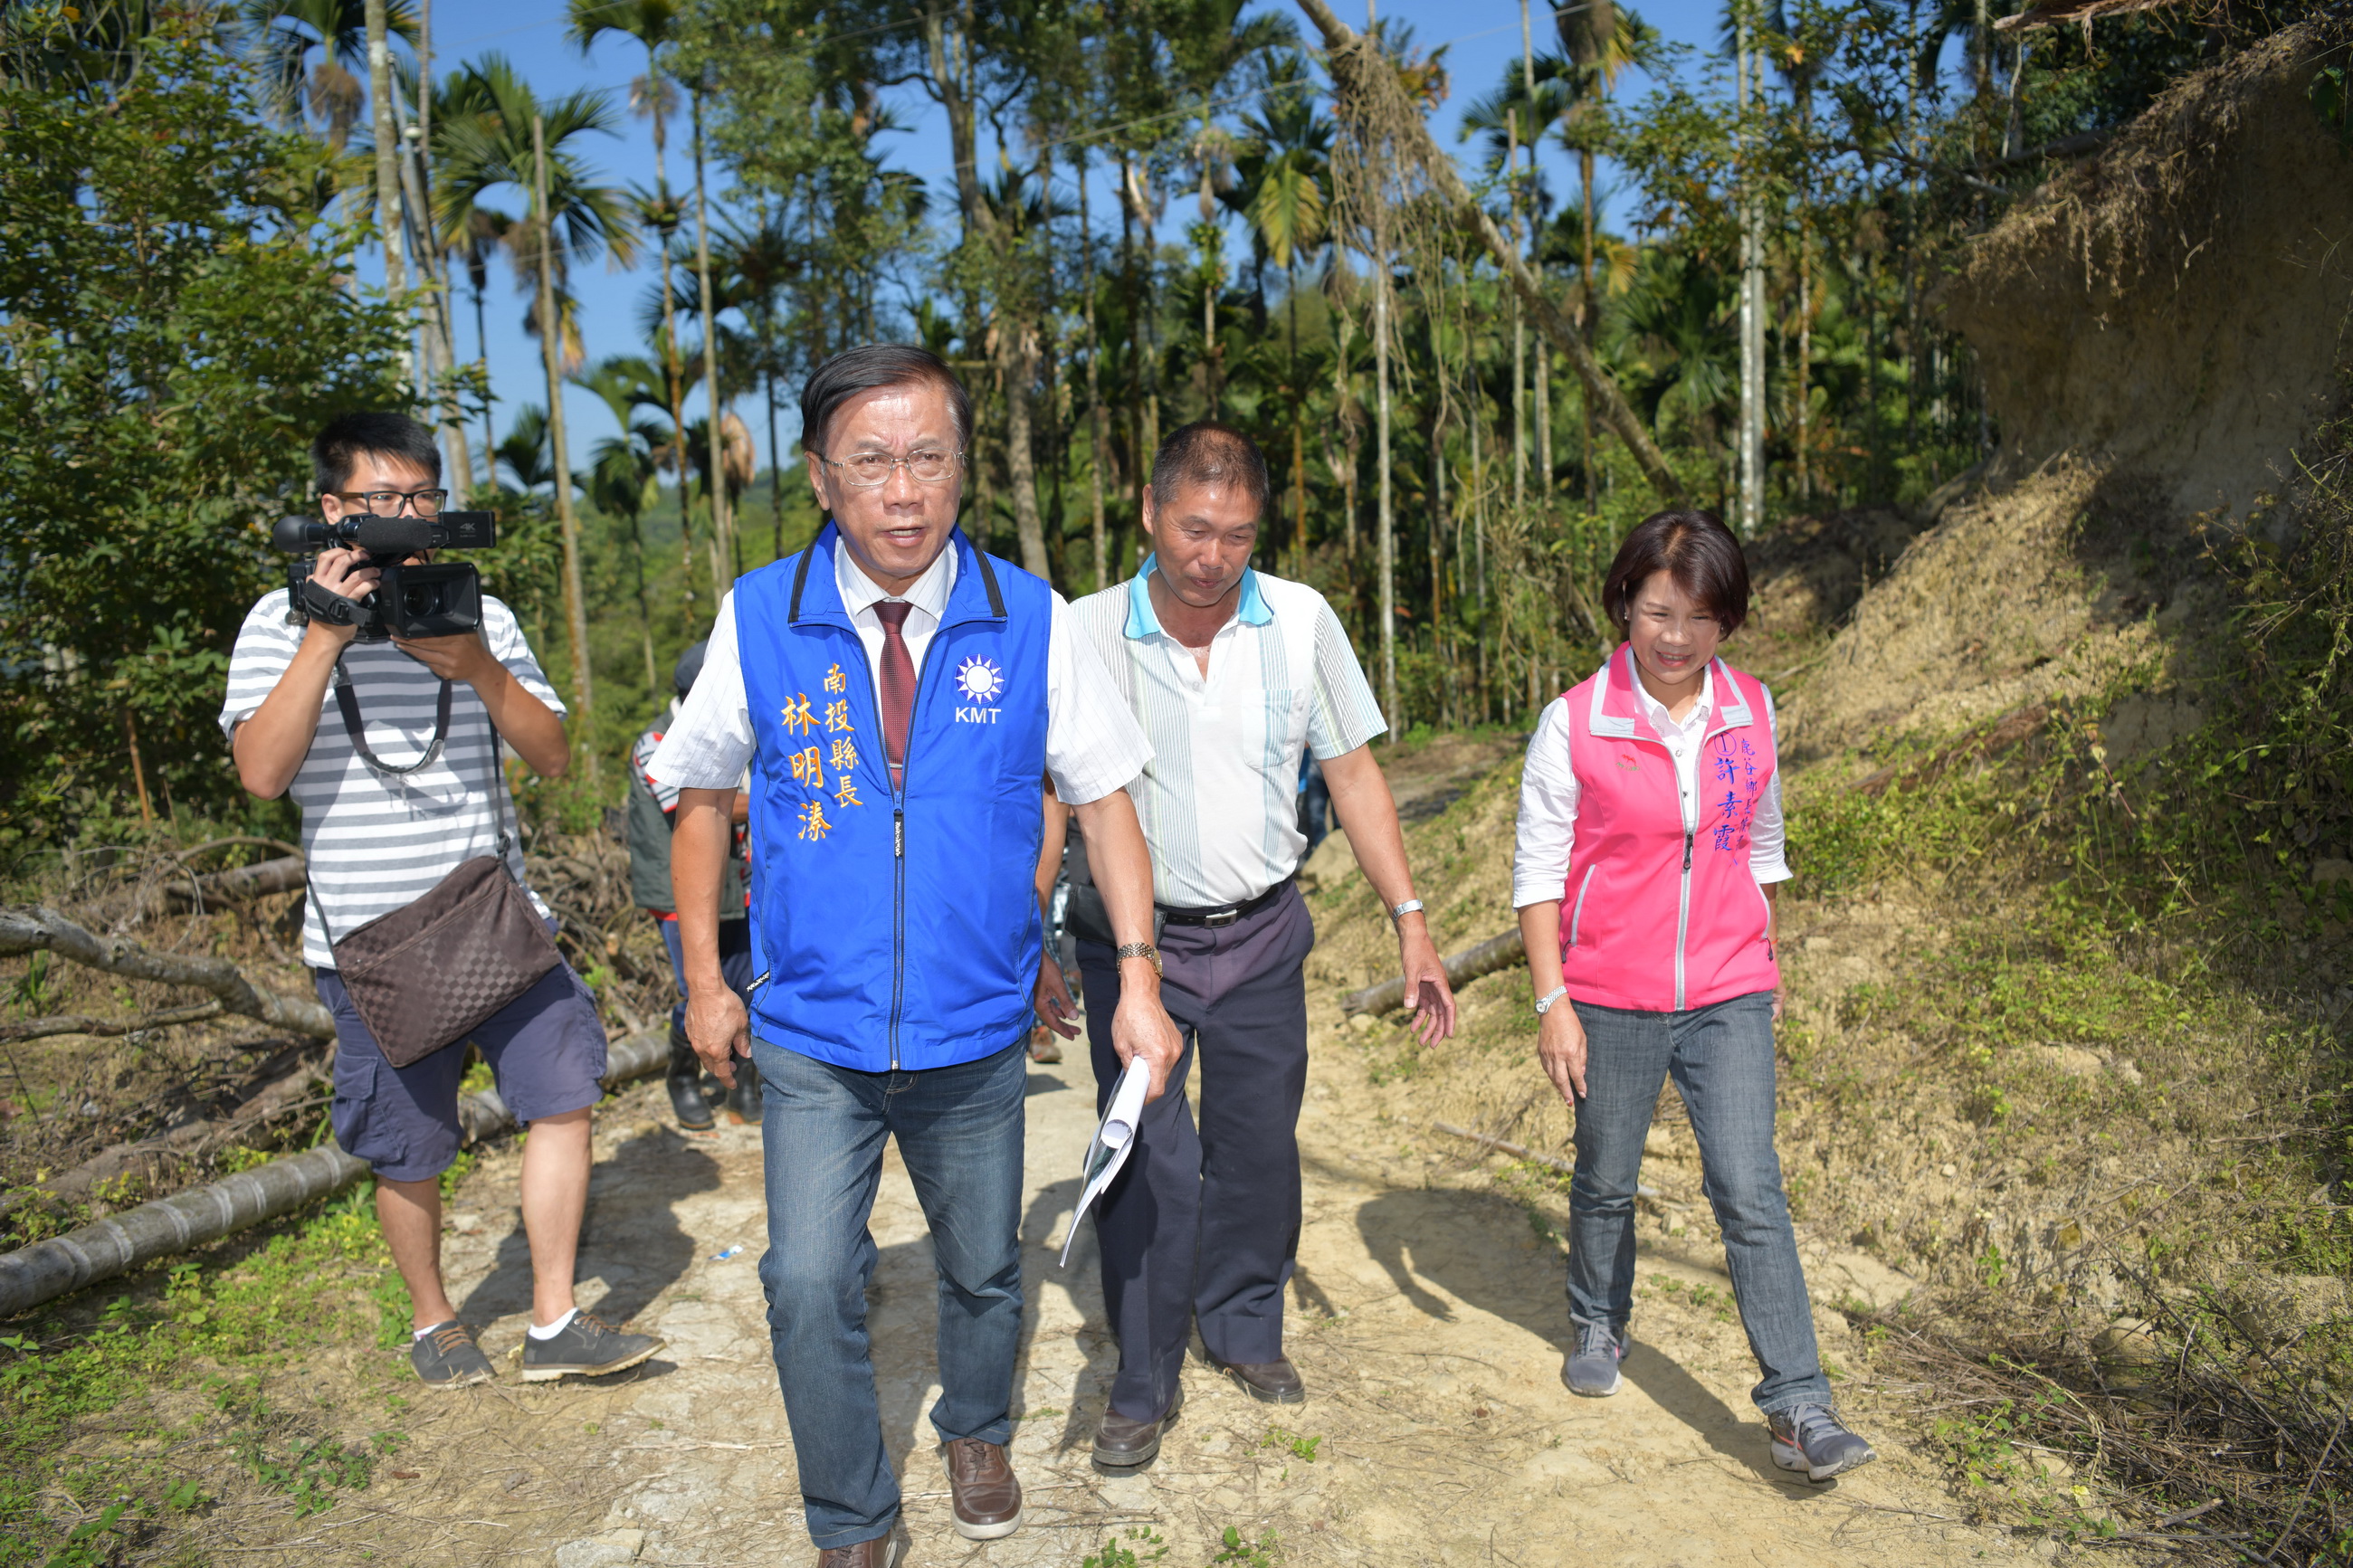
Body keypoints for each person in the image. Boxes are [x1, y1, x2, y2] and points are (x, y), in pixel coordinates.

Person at [653, 345, 1183, 1568]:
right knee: (805, 1281)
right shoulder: (757, 618)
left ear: (963, 469)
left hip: (976, 1026)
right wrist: (703, 983)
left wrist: (1139, 979)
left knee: (985, 1267)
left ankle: (977, 1427)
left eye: (929, 458)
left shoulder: (1032, 617)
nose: (904, 492)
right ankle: (849, 1515)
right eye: (873, 461)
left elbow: (1105, 802)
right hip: (813, 1037)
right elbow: (699, 798)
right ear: (821, 475)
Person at [1046, 420, 1459, 1472]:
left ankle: (1242, 1326)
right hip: (1133, 947)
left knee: (1260, 1153)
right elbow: (1052, 795)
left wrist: (1411, 920)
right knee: (1146, 1158)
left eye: (1234, 534)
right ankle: (1141, 1374)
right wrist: (1030, 930)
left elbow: (1353, 776)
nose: (1210, 554)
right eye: (1191, 528)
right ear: (1148, 512)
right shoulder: (1084, 632)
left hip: (1265, 931)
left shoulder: (1301, 620)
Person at [220, 411, 660, 1390]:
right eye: (383, 501)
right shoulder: (274, 620)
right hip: (371, 939)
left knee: (565, 1097)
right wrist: (324, 638)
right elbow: (260, 771)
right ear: (332, 509)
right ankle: (435, 1321)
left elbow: (549, 754)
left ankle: (553, 1319)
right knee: (410, 1145)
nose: (408, 517)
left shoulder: (478, 611)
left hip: (494, 914)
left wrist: (477, 667)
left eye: (422, 497)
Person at [1510, 508, 1876, 1482]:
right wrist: (1552, 1000)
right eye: (1656, 610)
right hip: (1607, 994)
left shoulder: (1750, 708)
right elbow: (1538, 874)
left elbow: (1759, 846)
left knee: (1748, 1185)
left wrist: (1768, 958)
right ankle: (1596, 1316)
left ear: (1728, 620)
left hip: (1728, 988)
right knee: (1605, 1174)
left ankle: (1798, 1402)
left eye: (1699, 615)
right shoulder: (1575, 720)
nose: (1675, 636)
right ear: (1624, 602)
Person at [625, 641, 759, 1128]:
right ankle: (682, 1077)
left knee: (746, 984)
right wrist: (778, 796)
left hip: (737, 887)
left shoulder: (738, 734)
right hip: (680, 895)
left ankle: (743, 1086)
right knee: (697, 990)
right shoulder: (656, 742)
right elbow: (696, 807)